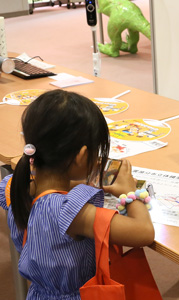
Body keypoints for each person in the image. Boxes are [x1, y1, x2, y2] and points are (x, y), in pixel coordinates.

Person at [0, 89, 155, 300]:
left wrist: (79, 180)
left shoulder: (15, 184)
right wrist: (130, 191)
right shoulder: (72, 213)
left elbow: (50, 192)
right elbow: (143, 232)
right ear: (81, 156)